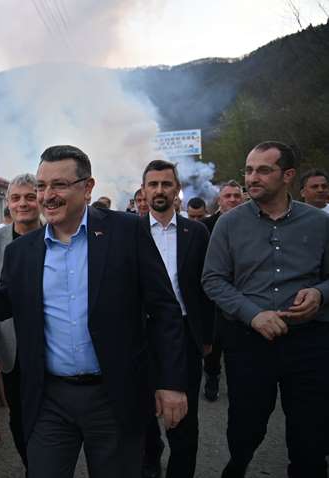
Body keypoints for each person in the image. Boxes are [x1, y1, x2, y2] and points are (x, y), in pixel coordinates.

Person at [0, 145, 188, 478]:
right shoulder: (22, 251)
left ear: (87, 188)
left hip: (114, 395)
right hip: (49, 400)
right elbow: (4, 306)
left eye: (59, 185)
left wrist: (171, 382)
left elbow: (164, 310)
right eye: (42, 186)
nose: (48, 195)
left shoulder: (126, 232)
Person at [202, 141, 329, 478]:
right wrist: (253, 315)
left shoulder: (318, 222)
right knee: (245, 428)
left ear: (288, 175)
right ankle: (237, 465)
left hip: (310, 342)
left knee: (311, 435)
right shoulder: (228, 224)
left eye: (263, 170)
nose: (252, 178)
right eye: (248, 170)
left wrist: (319, 294)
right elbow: (212, 279)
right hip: (249, 343)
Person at [141, 160, 214, 478]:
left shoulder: (196, 232)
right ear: (143, 190)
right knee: (143, 414)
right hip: (141, 334)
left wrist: (207, 337)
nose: (159, 190)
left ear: (177, 190)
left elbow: (206, 287)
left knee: (183, 419)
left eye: (166, 184)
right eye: (153, 184)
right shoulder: (129, 232)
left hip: (185, 334)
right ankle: (149, 463)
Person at [0, 173, 43, 471]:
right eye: (16, 198)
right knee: (19, 418)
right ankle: (32, 467)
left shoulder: (55, 234)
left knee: (51, 417)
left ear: (40, 200)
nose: (23, 204)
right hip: (13, 349)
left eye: (30, 197)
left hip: (51, 346)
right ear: (8, 203)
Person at [201, 179, 243, 401]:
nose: (233, 200)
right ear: (220, 200)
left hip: (244, 294)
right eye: (228, 196)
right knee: (214, 343)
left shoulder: (254, 224)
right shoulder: (205, 226)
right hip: (214, 296)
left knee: (240, 345)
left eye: (237, 196)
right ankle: (212, 376)